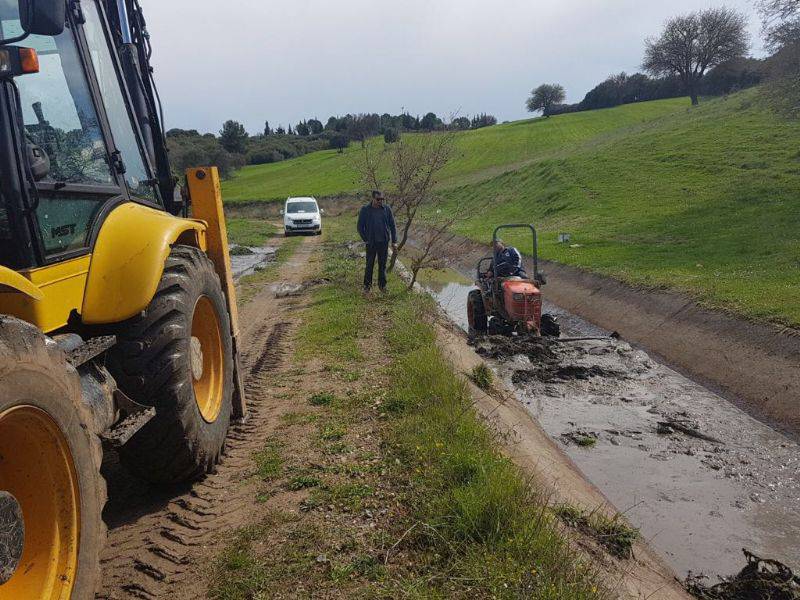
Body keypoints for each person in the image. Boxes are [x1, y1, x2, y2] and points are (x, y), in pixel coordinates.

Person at [357, 190, 398, 292]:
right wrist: (365, 239)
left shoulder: (387, 209)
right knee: (369, 265)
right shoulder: (365, 210)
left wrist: (394, 241)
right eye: (378, 199)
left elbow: (393, 226)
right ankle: (367, 286)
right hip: (371, 242)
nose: (380, 201)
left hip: (383, 242)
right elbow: (359, 227)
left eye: (382, 199)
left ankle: (382, 286)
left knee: (382, 265)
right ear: (373, 198)